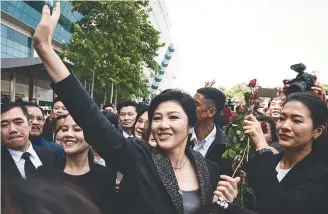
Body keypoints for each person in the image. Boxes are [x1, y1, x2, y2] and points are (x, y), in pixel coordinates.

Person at [33, 4, 240, 214]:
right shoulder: (138, 157)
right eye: (157, 118)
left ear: (190, 126)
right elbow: (93, 121)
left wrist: (223, 202)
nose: (163, 124)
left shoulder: (207, 170)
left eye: (173, 117)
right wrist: (45, 50)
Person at [243, 92, 328, 214]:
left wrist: (262, 146)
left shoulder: (321, 175)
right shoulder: (267, 161)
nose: (285, 126)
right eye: (282, 118)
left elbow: (277, 208)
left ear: (318, 131)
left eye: (297, 121)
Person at [40, 114, 116, 214]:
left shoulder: (106, 176)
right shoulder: (45, 172)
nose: (68, 134)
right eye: (64, 129)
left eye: (77, 129)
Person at [1, 102, 58, 181]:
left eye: (18, 122)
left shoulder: (51, 156)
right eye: (4, 125)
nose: (12, 129)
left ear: (30, 124)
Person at [192, 87, 232, 176]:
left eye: (195, 104)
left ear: (211, 112)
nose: (190, 107)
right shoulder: (181, 136)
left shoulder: (226, 147)